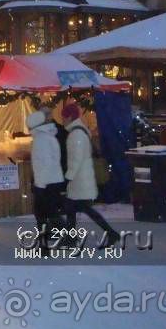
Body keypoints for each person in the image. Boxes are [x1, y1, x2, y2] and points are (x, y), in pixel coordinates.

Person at [60, 104, 120, 247]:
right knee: (72, 209)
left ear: (69, 117)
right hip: (79, 180)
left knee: (82, 209)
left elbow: (77, 159)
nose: (62, 120)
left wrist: (68, 177)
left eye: (63, 117)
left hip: (80, 180)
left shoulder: (77, 134)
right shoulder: (77, 132)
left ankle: (111, 233)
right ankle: (71, 239)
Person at [26, 110, 65, 252]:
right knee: (50, 212)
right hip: (53, 180)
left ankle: (45, 246)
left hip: (45, 183)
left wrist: (40, 185)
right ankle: (54, 241)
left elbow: (44, 163)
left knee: (41, 214)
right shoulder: (48, 136)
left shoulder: (40, 140)